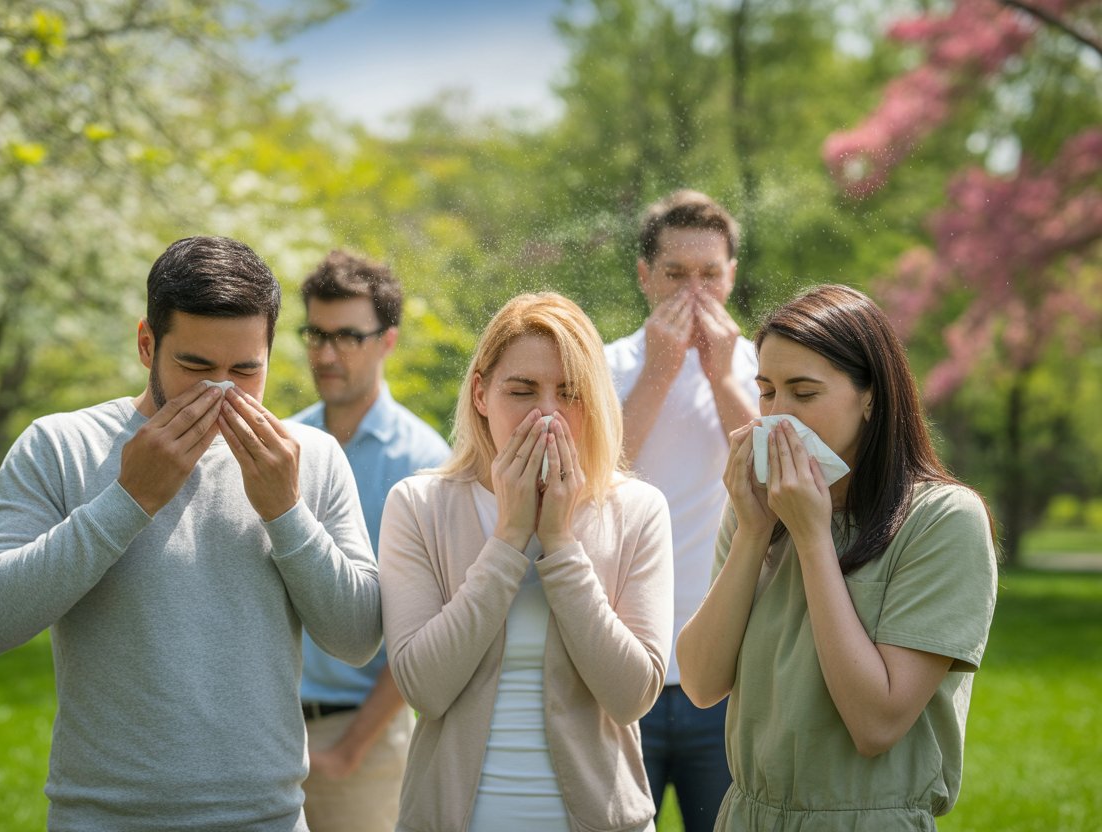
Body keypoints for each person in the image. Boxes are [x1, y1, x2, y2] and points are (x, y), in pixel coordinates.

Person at [0, 236, 383, 831]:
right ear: (146, 344)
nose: (221, 392)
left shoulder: (311, 457)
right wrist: (128, 501)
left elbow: (358, 637)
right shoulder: (60, 446)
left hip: (270, 820)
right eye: (196, 367)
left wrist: (286, 513)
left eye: (245, 369)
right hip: (100, 820)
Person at [676, 284, 998, 830]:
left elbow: (875, 724)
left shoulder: (943, 520)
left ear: (870, 396)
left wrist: (812, 538)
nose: (779, 417)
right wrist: (754, 533)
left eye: (804, 394)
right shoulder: (760, 508)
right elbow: (703, 684)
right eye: (767, 391)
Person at [379, 292, 674, 832]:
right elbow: (423, 686)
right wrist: (509, 538)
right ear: (481, 393)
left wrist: (560, 544)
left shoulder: (636, 510)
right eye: (522, 390)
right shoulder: (419, 505)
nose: (547, 414)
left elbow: (632, 695)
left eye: (570, 393)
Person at [603, 189, 758, 829]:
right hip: (618, 668)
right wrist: (660, 373)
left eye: (710, 275)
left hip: (725, 676)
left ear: (732, 275)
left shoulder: (760, 369)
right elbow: (597, 479)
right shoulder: (605, 367)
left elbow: (780, 481)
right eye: (675, 274)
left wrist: (722, 379)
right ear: (644, 276)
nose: (694, 293)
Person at [290, 250, 450, 832]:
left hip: (362, 742)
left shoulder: (425, 463)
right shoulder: (286, 442)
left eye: (348, 337)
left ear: (388, 341)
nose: (326, 354)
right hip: (270, 731)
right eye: (316, 334)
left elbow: (424, 624)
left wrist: (349, 749)